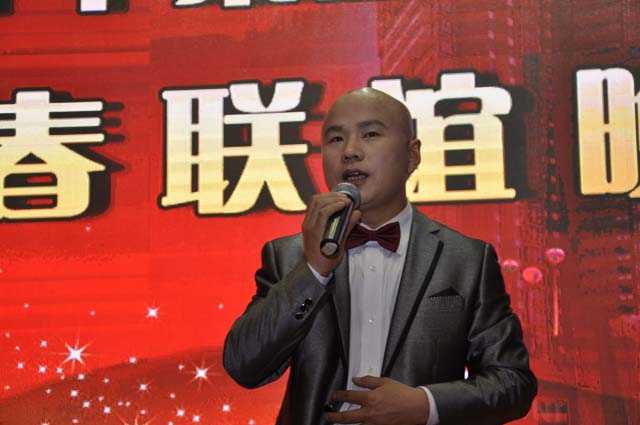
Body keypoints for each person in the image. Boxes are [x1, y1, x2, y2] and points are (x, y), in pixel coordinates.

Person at [223, 88, 537, 425]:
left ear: (412, 156)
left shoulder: (467, 260)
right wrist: (314, 270)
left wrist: (425, 405)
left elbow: (512, 382)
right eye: (335, 139)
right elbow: (244, 366)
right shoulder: (288, 256)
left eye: (370, 134)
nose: (350, 151)